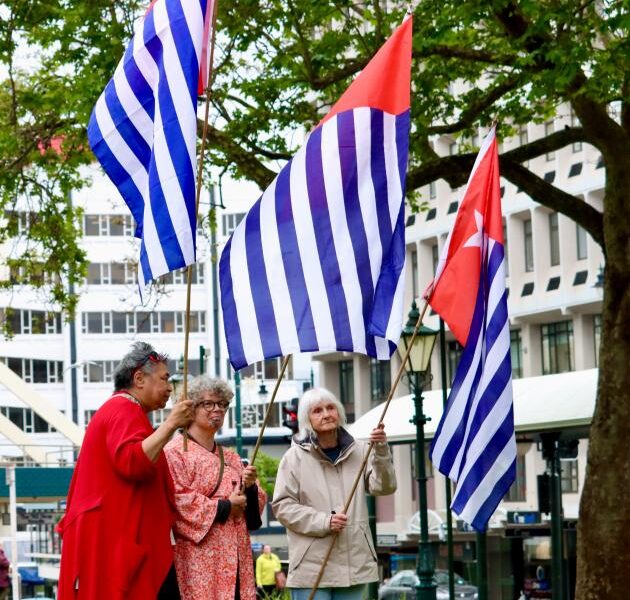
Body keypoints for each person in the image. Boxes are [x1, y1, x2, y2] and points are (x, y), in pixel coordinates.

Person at [56, 342, 194, 600]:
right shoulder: (123, 409)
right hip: (116, 539)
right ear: (139, 378)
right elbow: (133, 462)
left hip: (115, 536)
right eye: (164, 379)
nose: (169, 388)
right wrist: (171, 424)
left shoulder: (122, 409)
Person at [272, 387, 397, 600]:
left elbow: (384, 487)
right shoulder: (293, 458)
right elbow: (282, 507)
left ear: (339, 412)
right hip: (311, 567)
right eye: (317, 411)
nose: (326, 414)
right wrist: (324, 521)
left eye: (330, 408)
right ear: (306, 419)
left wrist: (382, 451)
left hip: (353, 565)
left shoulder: (361, 450)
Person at [165, 376, 267, 600]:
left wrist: (250, 488)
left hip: (237, 556)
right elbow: (179, 501)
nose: (218, 410)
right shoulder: (174, 452)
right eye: (208, 404)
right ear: (191, 408)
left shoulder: (231, 458)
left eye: (222, 404)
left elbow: (254, 512)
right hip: (199, 559)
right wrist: (226, 506)